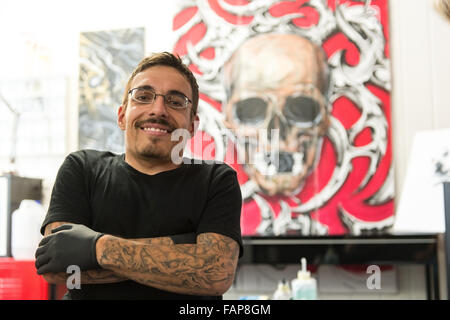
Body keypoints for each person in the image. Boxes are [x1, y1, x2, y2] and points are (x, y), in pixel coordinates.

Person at [34, 52, 243, 300]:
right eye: (143, 97)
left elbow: (215, 273)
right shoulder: (81, 168)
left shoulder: (216, 180)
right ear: (122, 116)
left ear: (192, 126)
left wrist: (95, 247)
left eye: (176, 102)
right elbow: (58, 269)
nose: (158, 109)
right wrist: (184, 247)